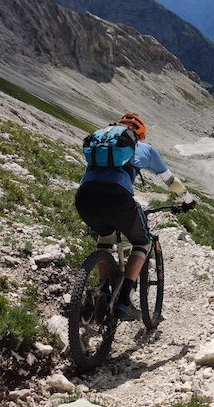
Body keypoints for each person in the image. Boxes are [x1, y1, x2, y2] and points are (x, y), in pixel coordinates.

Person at [74, 112, 195, 320]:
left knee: (105, 237)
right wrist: (188, 199)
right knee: (143, 242)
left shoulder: (102, 147)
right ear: (139, 136)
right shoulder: (143, 148)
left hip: (84, 198)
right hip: (118, 199)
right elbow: (170, 180)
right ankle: (123, 301)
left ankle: (102, 292)